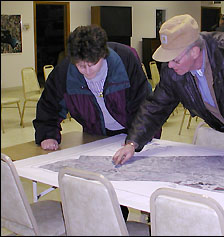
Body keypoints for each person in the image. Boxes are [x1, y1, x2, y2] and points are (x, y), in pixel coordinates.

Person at [112, 14, 224, 166]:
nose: (169, 65)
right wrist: (133, 143)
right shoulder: (174, 70)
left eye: (175, 59)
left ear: (195, 52)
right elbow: (156, 105)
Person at [32, 24, 154, 221]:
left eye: (92, 64)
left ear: (103, 55)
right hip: (98, 135)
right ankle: (115, 224)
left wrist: (134, 141)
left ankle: (148, 218)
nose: (87, 71)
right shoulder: (65, 71)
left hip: (134, 131)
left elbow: (145, 105)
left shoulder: (125, 59)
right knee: (107, 193)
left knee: (139, 187)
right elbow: (49, 104)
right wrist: (48, 133)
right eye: (81, 65)